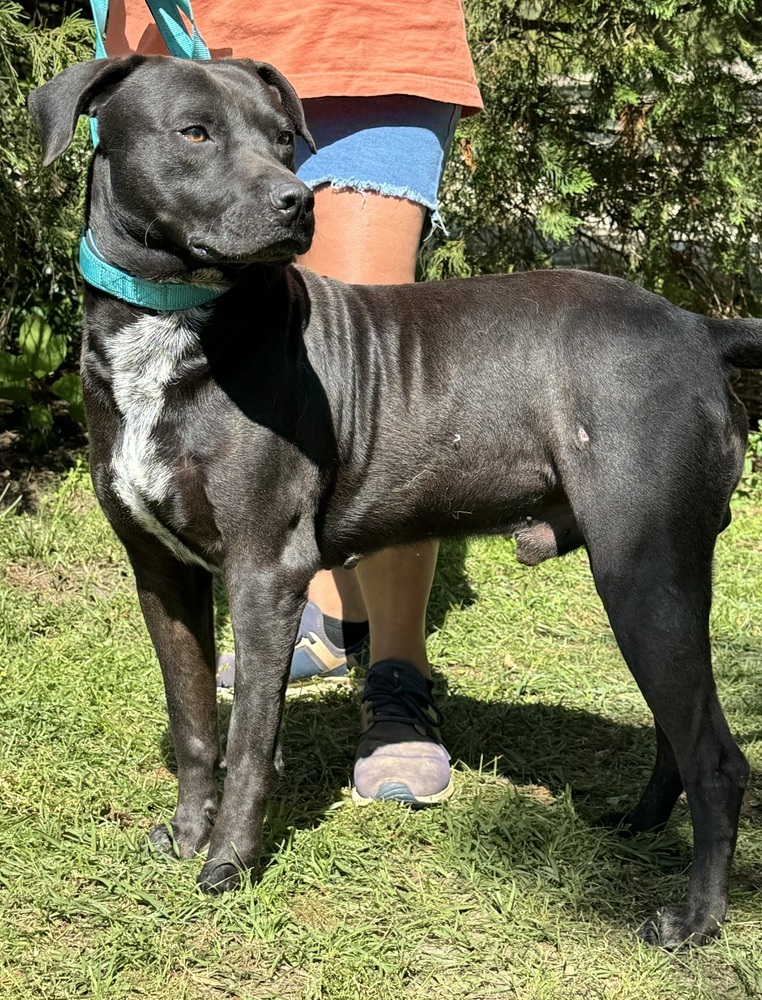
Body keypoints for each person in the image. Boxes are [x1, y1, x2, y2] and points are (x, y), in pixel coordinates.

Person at [104, 0, 482, 807]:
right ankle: (320, 617)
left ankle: (398, 676)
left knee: (378, 388)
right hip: (181, 43)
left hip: (362, 38)